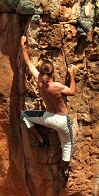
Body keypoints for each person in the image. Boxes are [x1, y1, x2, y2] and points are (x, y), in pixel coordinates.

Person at [20, 35, 76, 179]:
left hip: (47, 118)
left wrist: (22, 45)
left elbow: (27, 63)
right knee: (67, 145)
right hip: (62, 120)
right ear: (53, 72)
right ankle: (63, 172)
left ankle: (40, 139)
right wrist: (72, 75)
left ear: (43, 72)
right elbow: (72, 92)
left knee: (24, 115)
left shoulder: (39, 81)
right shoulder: (56, 86)